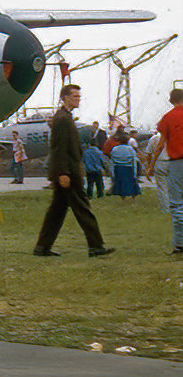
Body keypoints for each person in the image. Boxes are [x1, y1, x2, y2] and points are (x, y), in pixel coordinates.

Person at [32, 84, 115, 259]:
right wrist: (63, 173)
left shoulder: (65, 117)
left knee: (57, 211)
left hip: (68, 170)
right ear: (64, 98)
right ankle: (96, 246)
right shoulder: (62, 118)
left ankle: (42, 247)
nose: (78, 99)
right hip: (68, 171)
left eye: (78, 96)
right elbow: (59, 148)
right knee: (83, 208)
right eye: (74, 96)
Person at [155, 89, 183, 254]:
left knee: (177, 203)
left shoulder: (168, 117)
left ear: (171, 100)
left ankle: (180, 243)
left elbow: (160, 145)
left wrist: (151, 165)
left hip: (177, 163)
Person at [109, 134, 140, 202]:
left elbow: (112, 161)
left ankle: (122, 198)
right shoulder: (130, 149)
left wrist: (112, 173)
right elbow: (133, 160)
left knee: (120, 184)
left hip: (118, 168)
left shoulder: (114, 149)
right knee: (131, 184)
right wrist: (135, 172)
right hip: (128, 168)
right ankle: (133, 197)